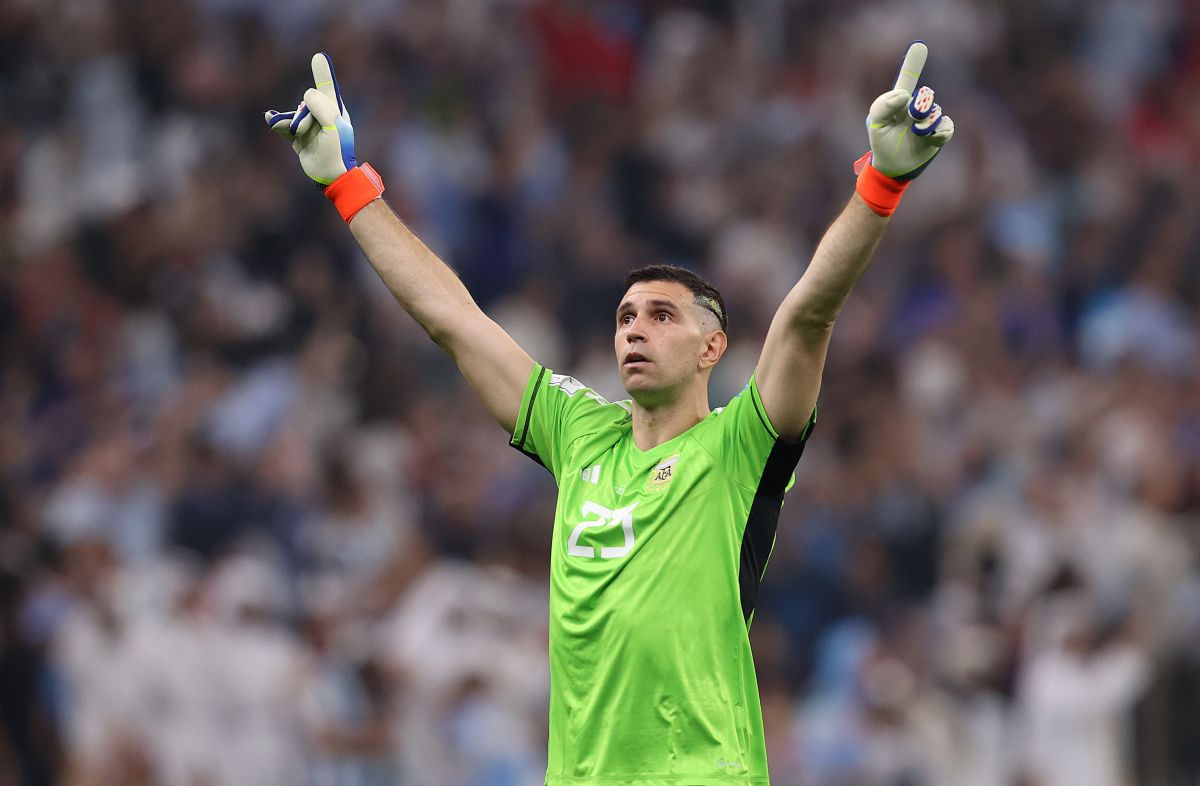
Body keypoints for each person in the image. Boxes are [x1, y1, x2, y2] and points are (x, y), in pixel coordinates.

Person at [266, 41, 953, 785]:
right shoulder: (578, 431)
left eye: (662, 315)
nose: (634, 328)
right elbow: (453, 320)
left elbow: (807, 316)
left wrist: (881, 181)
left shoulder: (740, 447)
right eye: (627, 316)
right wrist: (345, 185)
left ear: (711, 347)